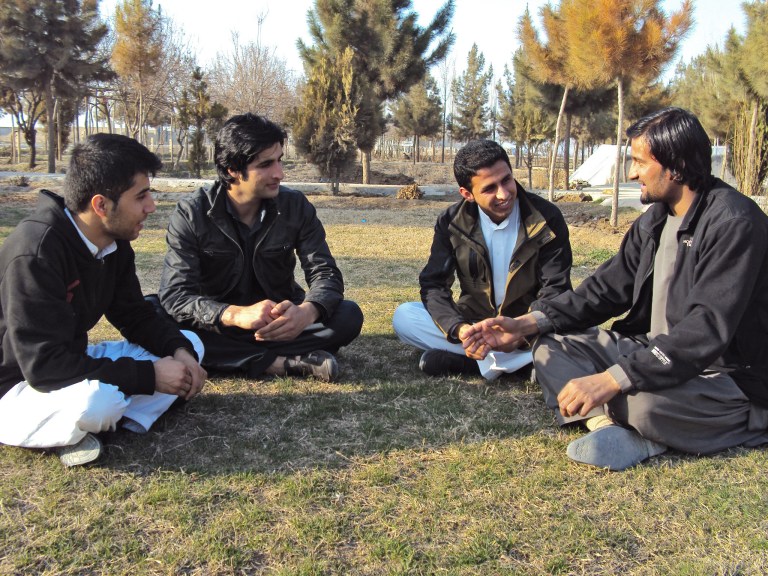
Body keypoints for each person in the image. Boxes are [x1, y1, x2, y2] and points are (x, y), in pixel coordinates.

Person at [464, 107, 768, 470]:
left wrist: (612, 379)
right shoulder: (655, 220)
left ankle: (676, 423)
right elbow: (604, 290)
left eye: (640, 162)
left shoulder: (735, 223)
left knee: (642, 403)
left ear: (678, 165)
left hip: (723, 374)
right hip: (651, 352)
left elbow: (705, 330)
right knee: (550, 347)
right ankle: (607, 424)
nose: (631, 172)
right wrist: (525, 324)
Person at [0, 134, 207, 467]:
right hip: (15, 386)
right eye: (141, 196)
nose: (151, 206)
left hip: (70, 363)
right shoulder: (36, 252)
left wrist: (178, 351)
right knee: (97, 403)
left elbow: (134, 315)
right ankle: (98, 421)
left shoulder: (112, 242)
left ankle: (98, 430)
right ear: (101, 205)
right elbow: (44, 367)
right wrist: (149, 377)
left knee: (191, 345)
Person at [158, 113, 363, 382]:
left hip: (279, 325)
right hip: (218, 325)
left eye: (279, 160)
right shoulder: (193, 213)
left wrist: (307, 312)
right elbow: (176, 295)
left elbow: (325, 273)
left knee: (348, 315)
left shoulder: (295, 206)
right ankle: (274, 363)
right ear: (233, 169)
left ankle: (228, 357)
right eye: (266, 164)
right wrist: (233, 314)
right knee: (155, 313)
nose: (279, 173)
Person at [392, 139, 572, 380]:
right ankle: (523, 367)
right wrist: (461, 330)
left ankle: (468, 364)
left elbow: (557, 288)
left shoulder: (546, 217)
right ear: (467, 194)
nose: (504, 193)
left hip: (527, 328)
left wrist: (522, 330)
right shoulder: (451, 221)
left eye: (506, 180)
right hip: (475, 323)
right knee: (405, 316)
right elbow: (434, 284)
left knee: (582, 331)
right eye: (489, 188)